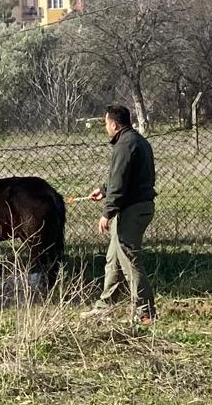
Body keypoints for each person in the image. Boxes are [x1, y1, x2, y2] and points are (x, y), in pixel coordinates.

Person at [80, 104, 158, 324]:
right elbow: (124, 177)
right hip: (139, 206)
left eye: (106, 123)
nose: (105, 127)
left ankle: (145, 312)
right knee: (113, 259)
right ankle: (105, 307)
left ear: (114, 124)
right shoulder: (137, 140)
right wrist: (103, 191)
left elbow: (119, 181)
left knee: (130, 260)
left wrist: (107, 211)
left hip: (132, 210)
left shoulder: (123, 145)